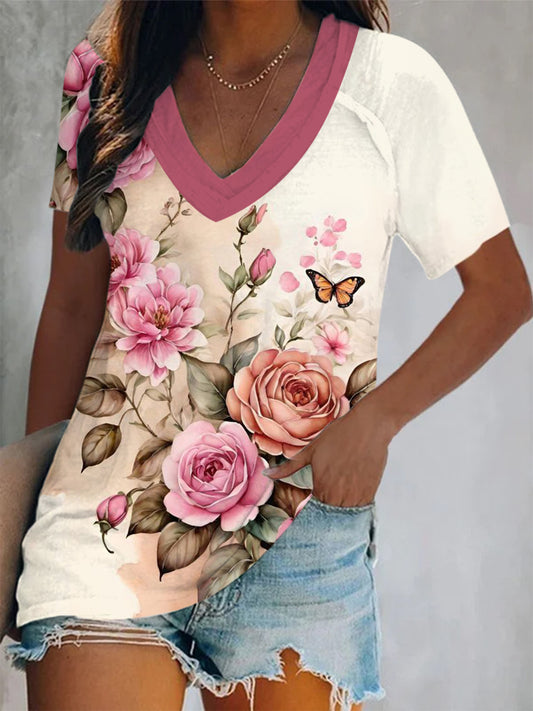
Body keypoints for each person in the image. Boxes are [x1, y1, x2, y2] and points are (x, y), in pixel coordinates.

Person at [3, 1, 532, 710]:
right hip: (101, 526)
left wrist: (376, 423)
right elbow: (71, 307)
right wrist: (26, 513)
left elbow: (502, 292)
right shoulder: (104, 74)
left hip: (299, 540)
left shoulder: (390, 83)